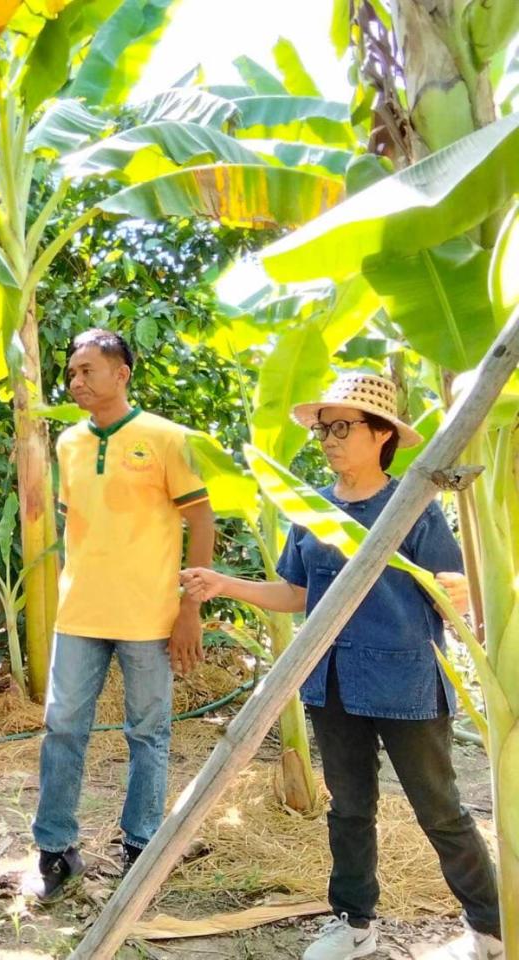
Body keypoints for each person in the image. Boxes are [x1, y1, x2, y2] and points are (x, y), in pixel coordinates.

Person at [180, 372, 501, 960]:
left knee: (441, 811)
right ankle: (354, 923)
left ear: (382, 435)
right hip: (331, 683)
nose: (328, 439)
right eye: (324, 429)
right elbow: (297, 594)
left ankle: (492, 928)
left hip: (406, 682)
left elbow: (452, 589)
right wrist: (225, 583)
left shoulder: (415, 509)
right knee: (349, 809)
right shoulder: (311, 511)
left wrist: (459, 592)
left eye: (342, 428)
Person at [32, 328, 215, 903]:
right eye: (71, 372)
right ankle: (55, 848)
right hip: (79, 613)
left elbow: (201, 521)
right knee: (63, 728)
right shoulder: (69, 443)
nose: (76, 381)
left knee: (148, 733)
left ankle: (141, 845)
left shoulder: (166, 438)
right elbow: (79, 525)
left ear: (122, 373)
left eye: (87, 370)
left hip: (149, 616)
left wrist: (190, 608)